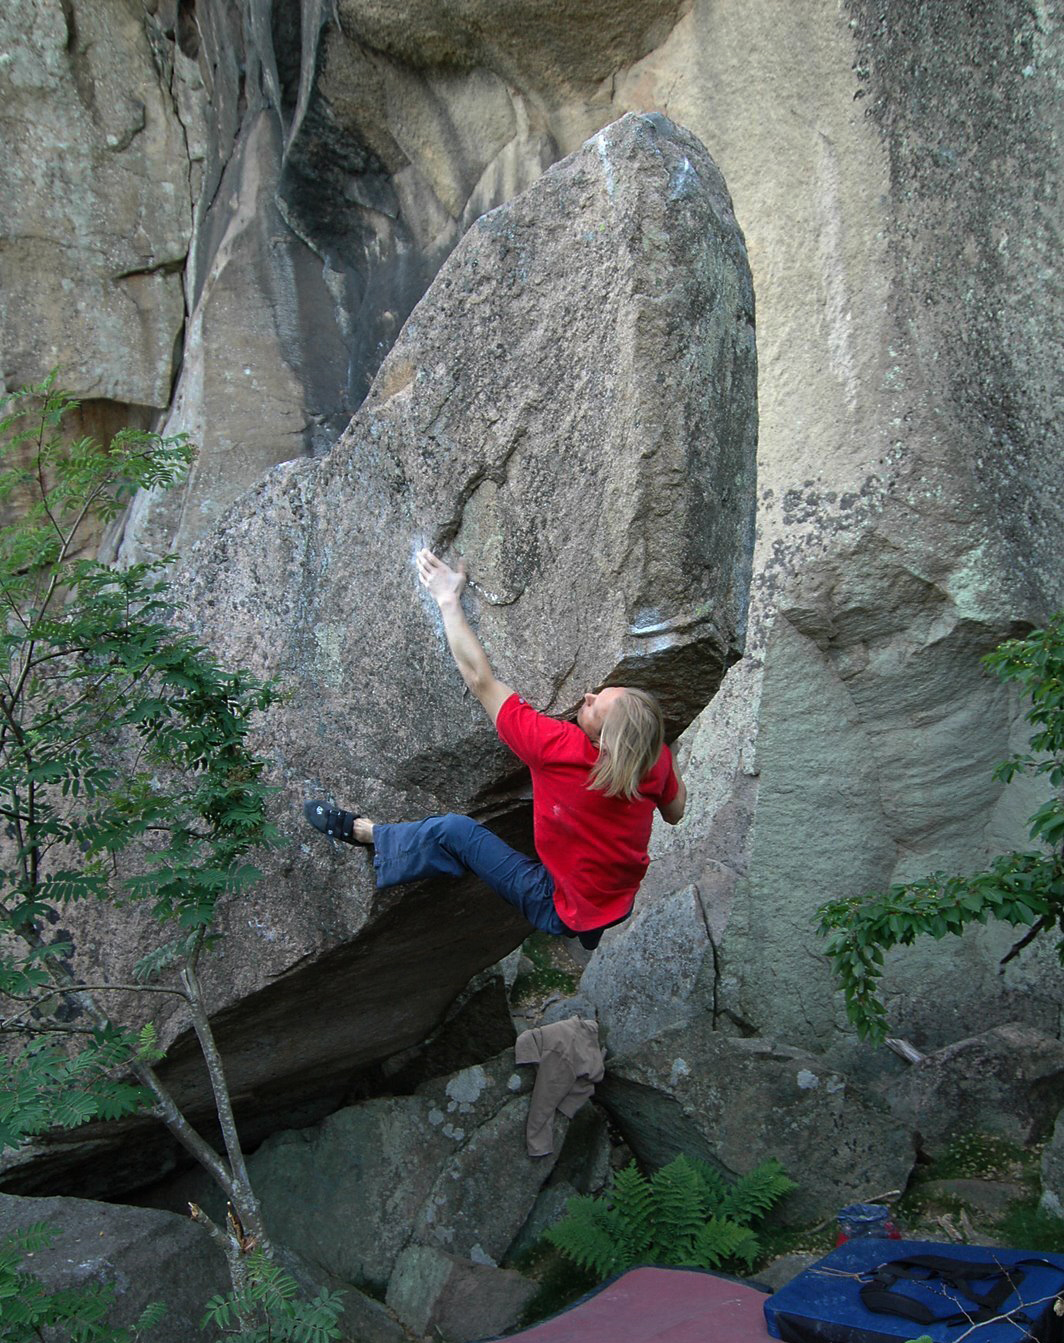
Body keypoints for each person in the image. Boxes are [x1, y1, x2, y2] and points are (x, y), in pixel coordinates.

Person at [304, 547, 686, 950]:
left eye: (595, 706)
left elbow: (479, 679)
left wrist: (447, 599)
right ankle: (586, 929)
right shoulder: (654, 759)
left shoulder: (558, 748)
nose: (587, 696)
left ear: (603, 742)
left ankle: (370, 835)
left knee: (455, 832)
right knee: (580, 897)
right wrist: (670, 759)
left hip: (556, 905)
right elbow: (675, 814)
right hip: (614, 902)